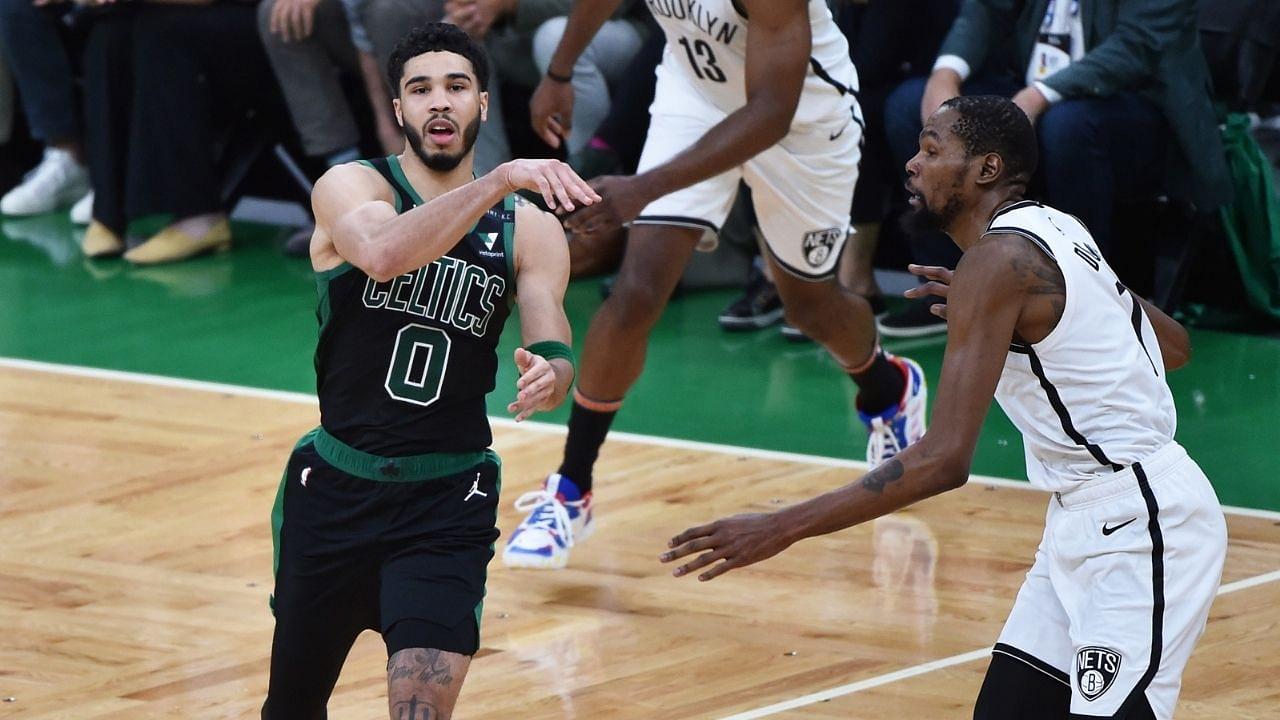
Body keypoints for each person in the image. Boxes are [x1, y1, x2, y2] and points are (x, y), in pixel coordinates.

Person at [662, 96, 1227, 720]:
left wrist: (780, 527)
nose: (912, 164)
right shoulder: (1056, 231)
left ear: (985, 169)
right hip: (1080, 520)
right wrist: (1024, 311)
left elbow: (945, 460)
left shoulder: (1000, 263)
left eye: (932, 151)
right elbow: (1172, 344)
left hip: (1144, 526)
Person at [503, 0, 929, 571]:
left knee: (808, 306)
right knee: (635, 292)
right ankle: (571, 488)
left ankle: (888, 386)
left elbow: (772, 111)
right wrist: (559, 72)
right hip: (697, 93)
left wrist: (642, 187)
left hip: (800, 118)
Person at [261, 23, 599, 719]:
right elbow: (383, 253)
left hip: (446, 500)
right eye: (420, 89)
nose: (438, 102)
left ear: (481, 103)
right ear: (398, 111)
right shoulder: (351, 185)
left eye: (455, 87)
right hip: (333, 492)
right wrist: (501, 178)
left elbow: (551, 328)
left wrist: (554, 371)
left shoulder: (525, 225)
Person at [878, 0, 1231, 337]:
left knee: (1067, 127)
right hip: (1035, 91)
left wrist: (1037, 97)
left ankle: (1079, 297)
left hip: (1138, 108)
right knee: (912, 107)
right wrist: (946, 72)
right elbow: (986, 8)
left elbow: (1137, 45)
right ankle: (948, 287)